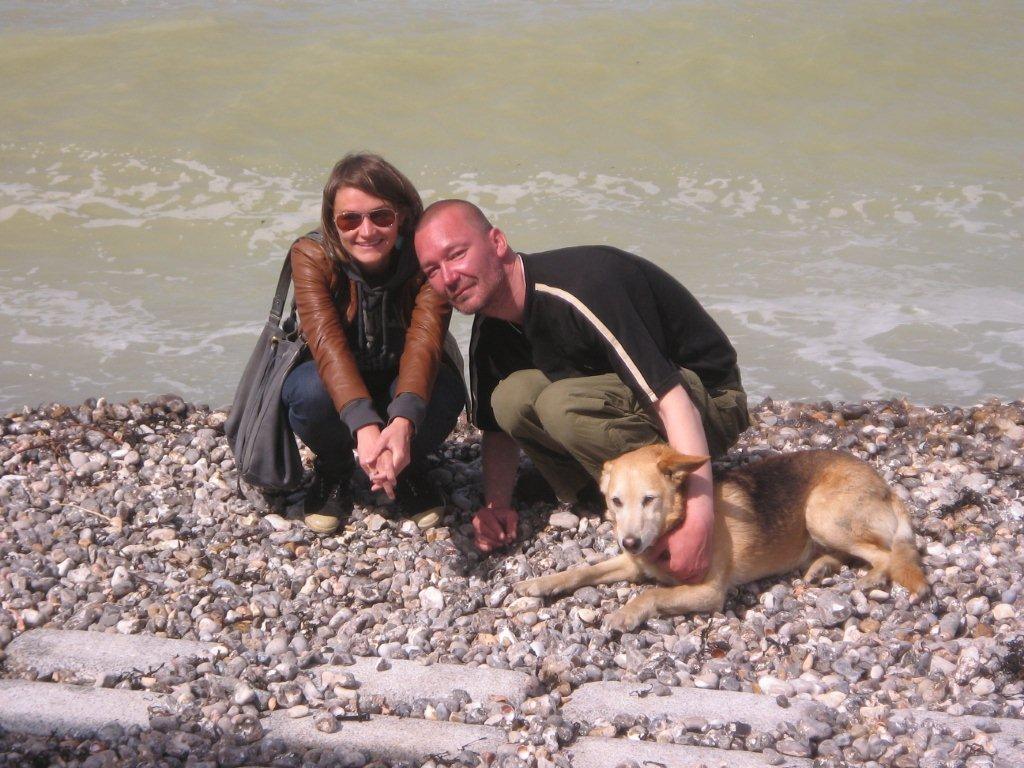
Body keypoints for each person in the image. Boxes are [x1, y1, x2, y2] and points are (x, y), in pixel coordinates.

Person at [413, 200, 750, 583]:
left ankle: (661, 495)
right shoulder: (491, 327)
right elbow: (496, 429)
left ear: (498, 242)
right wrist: (497, 506)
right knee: (509, 397)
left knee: (560, 405)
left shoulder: (582, 288)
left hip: (708, 404)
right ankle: (596, 492)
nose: (448, 278)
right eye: (432, 270)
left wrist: (699, 522)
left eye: (456, 255)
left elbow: (673, 402)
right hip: (632, 403)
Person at [281, 154, 465, 535]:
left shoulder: (425, 255)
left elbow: (425, 341)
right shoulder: (311, 255)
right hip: (336, 383)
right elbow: (326, 343)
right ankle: (334, 468)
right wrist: (364, 425)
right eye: (350, 220)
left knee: (444, 390)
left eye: (380, 216)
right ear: (332, 222)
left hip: (403, 377)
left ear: (402, 216)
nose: (366, 231)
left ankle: (408, 466)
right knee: (306, 392)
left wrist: (403, 423)